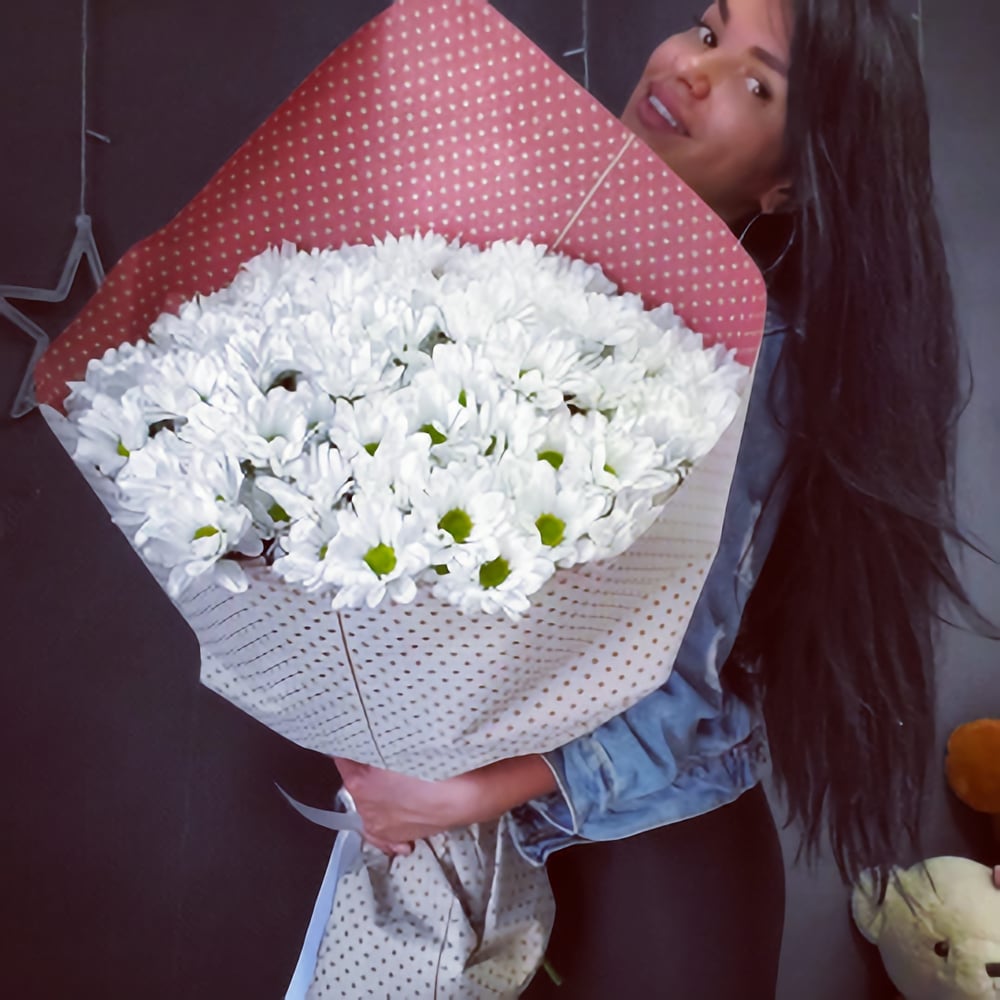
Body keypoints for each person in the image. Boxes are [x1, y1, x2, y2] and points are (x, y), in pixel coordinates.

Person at [333, 0, 975, 994]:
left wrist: (457, 793)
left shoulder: (754, 363)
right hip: (486, 844)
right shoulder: (531, 271)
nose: (692, 69)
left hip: (652, 875)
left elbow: (687, 687)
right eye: (708, 30)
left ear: (790, 180)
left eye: (756, 83)